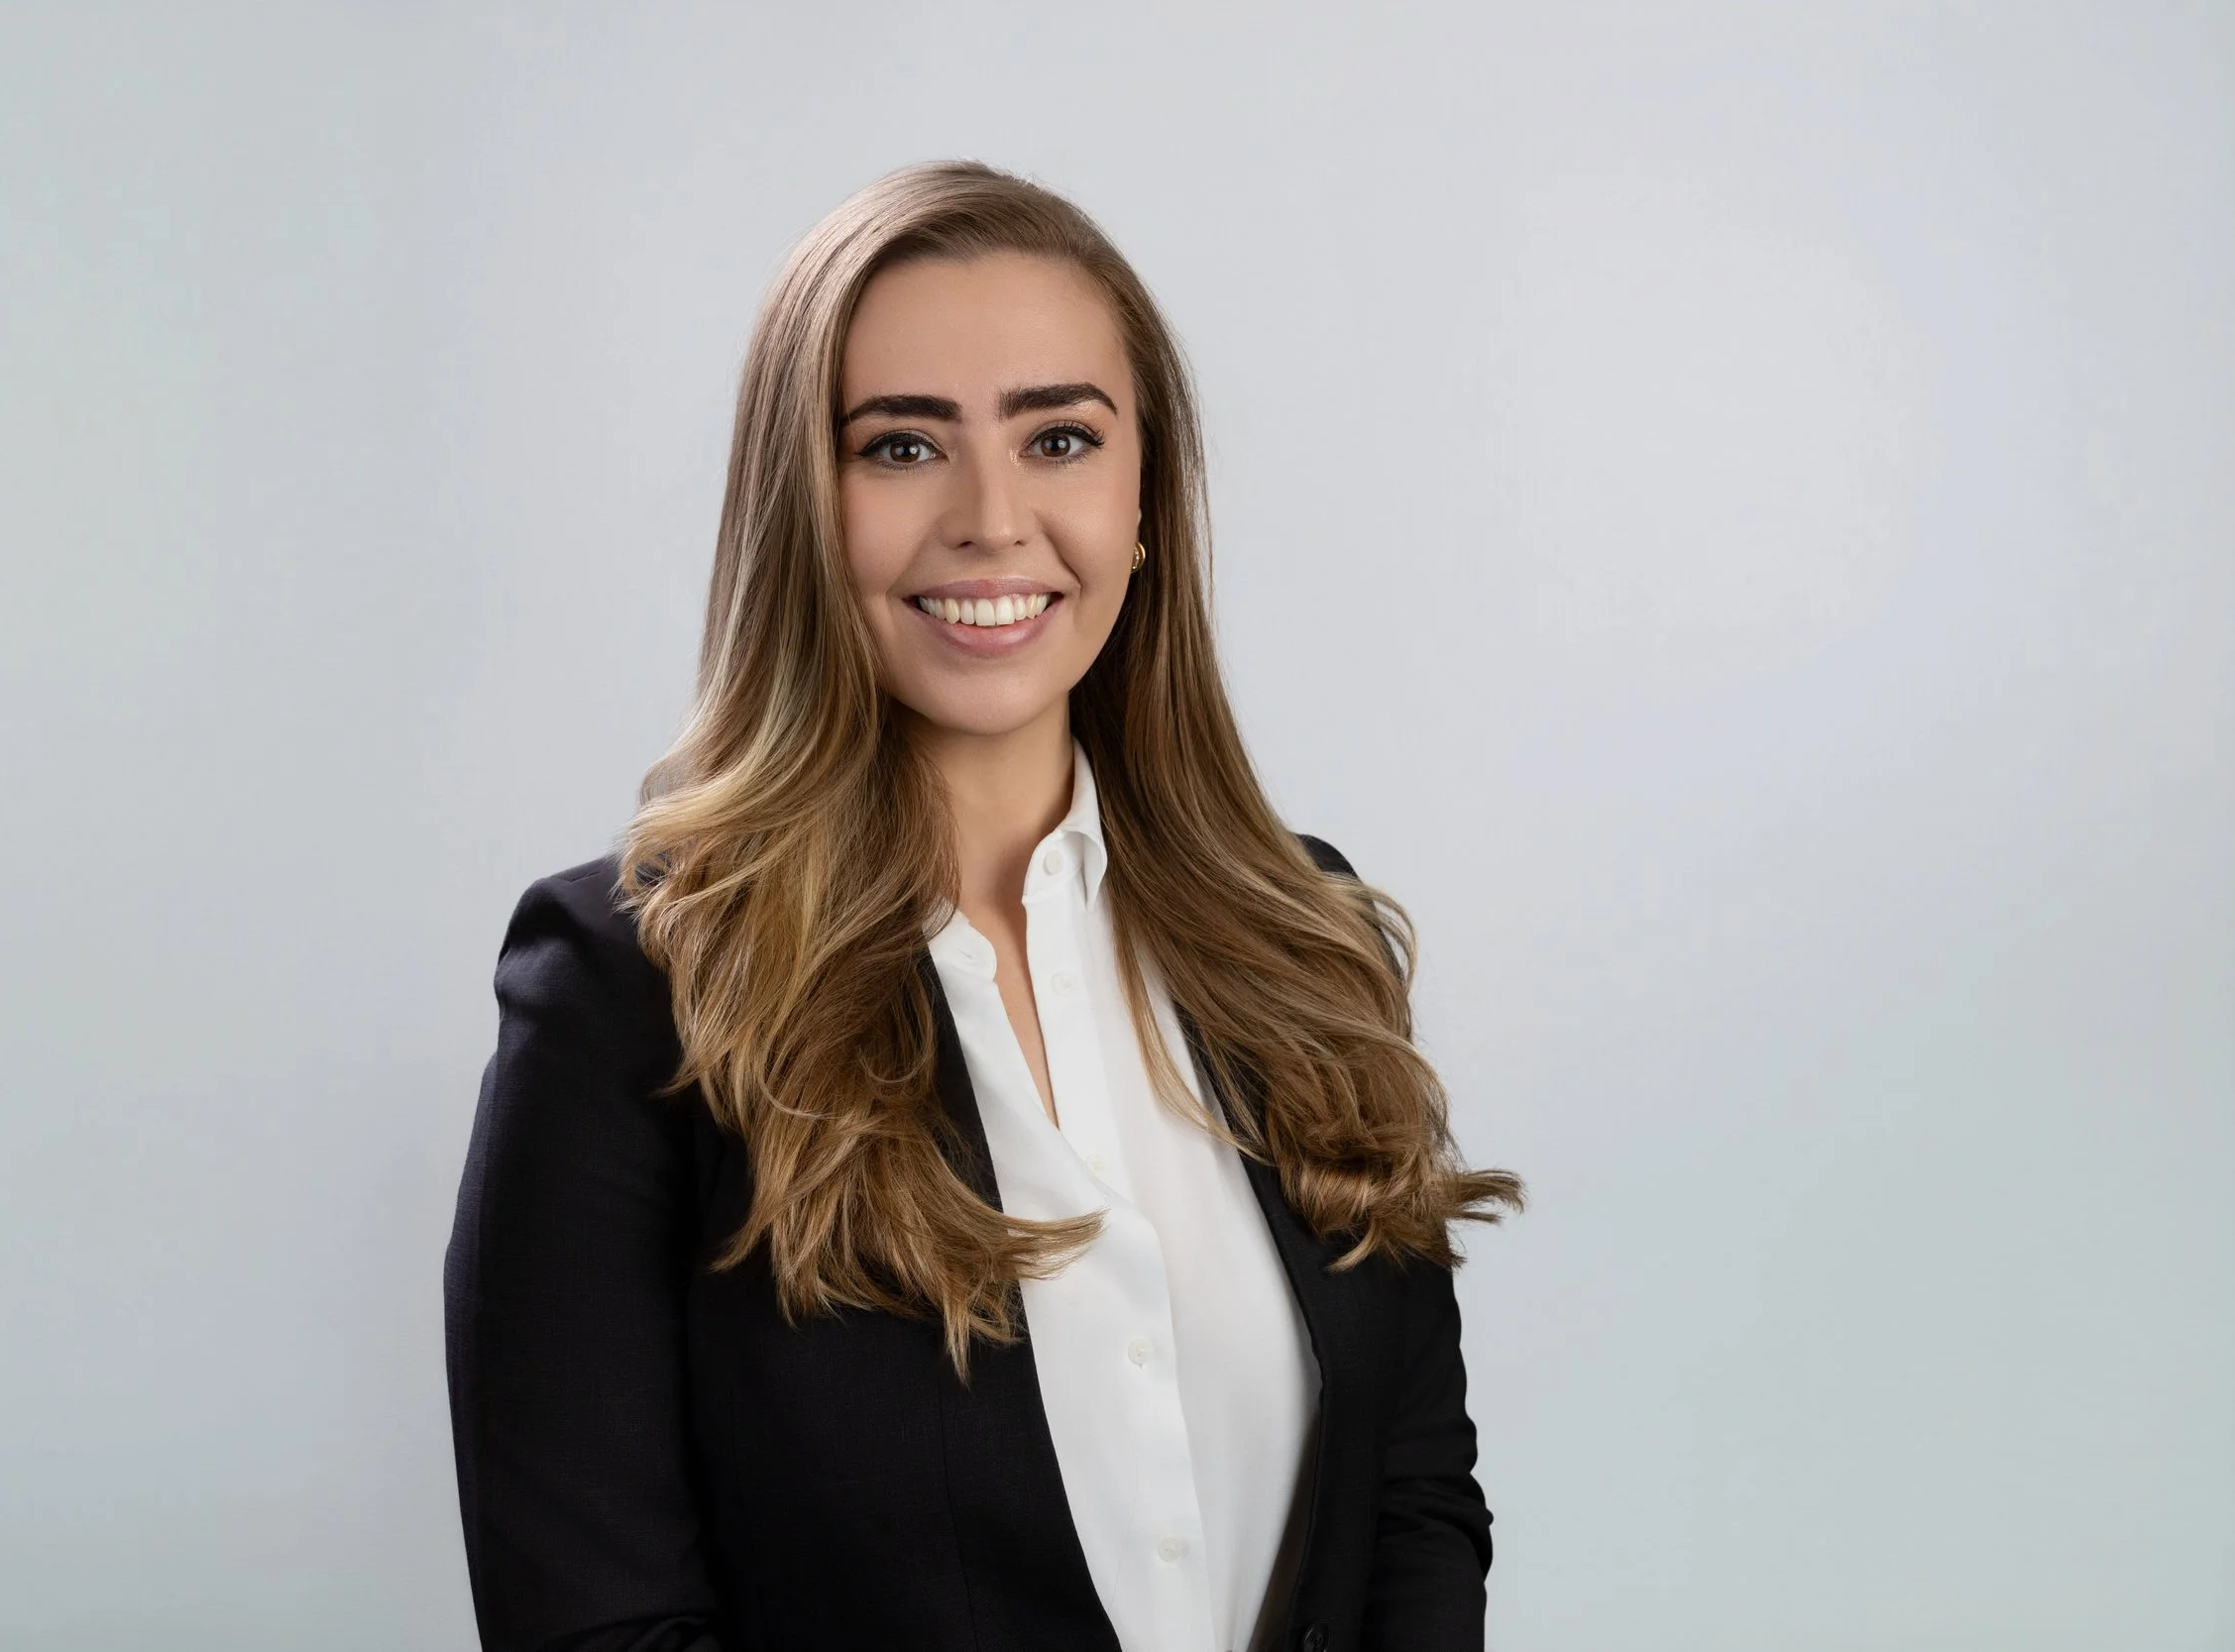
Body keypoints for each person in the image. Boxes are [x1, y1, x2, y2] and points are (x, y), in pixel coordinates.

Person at [444, 161, 1521, 1652]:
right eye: (900, 448)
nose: (992, 519)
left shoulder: (1300, 940)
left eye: (1061, 437)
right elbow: (598, 1627)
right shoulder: (628, 997)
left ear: (1146, 503)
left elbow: (1410, 1502)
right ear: (800, 506)